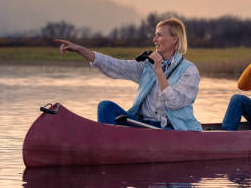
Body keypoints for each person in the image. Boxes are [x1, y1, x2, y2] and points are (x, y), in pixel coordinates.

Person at [54, 17, 202, 131]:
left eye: (159, 35)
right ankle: (106, 142)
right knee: (105, 107)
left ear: (174, 38)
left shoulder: (189, 71)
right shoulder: (147, 66)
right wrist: (80, 49)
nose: (154, 40)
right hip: (142, 124)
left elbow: (174, 102)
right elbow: (115, 65)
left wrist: (159, 71)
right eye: (155, 35)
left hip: (170, 129)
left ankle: (108, 145)